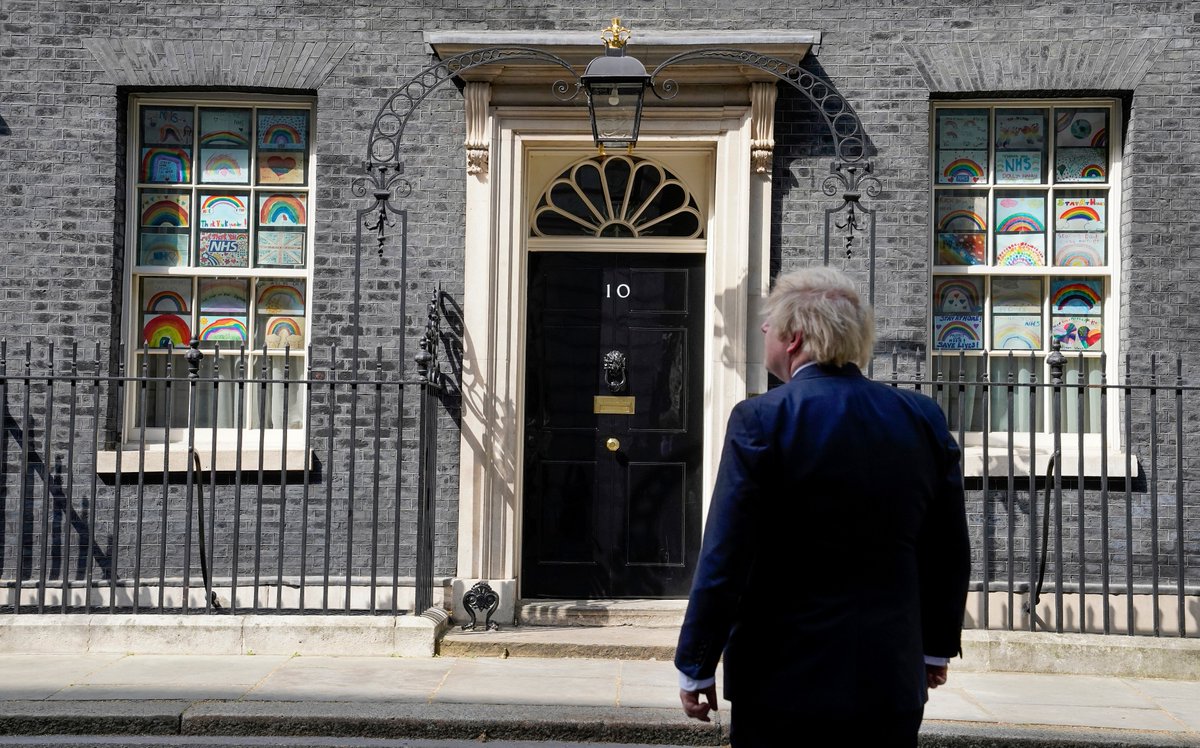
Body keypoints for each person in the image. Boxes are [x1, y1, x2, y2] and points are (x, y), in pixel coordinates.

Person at [674, 266, 970, 746]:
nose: (764, 333)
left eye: (768, 326)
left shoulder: (762, 420)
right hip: (888, 678)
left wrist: (696, 662)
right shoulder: (921, 417)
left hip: (781, 682)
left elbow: (726, 556)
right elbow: (948, 549)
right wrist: (935, 648)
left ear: (793, 338)